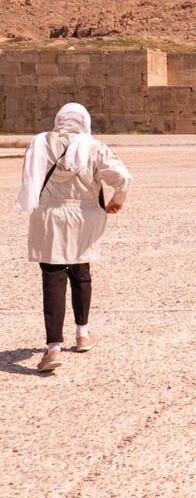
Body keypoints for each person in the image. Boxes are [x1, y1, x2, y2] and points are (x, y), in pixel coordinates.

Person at [17, 103, 132, 373]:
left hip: (49, 216)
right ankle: (82, 334)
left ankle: (53, 347)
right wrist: (117, 200)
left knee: (53, 276)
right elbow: (123, 177)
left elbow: (29, 179)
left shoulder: (39, 143)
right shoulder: (94, 147)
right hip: (84, 216)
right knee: (81, 272)